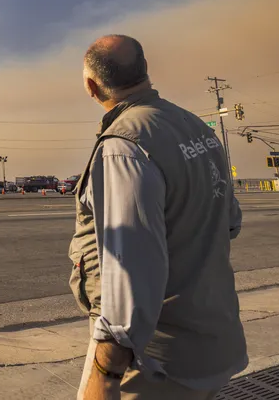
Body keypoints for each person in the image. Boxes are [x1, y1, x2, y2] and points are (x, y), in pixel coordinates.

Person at [69, 35, 246, 400]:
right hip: (213, 338)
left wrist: (104, 374)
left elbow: (130, 271)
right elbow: (230, 222)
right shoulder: (196, 127)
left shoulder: (124, 145)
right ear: (144, 71)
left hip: (155, 364)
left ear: (91, 86)